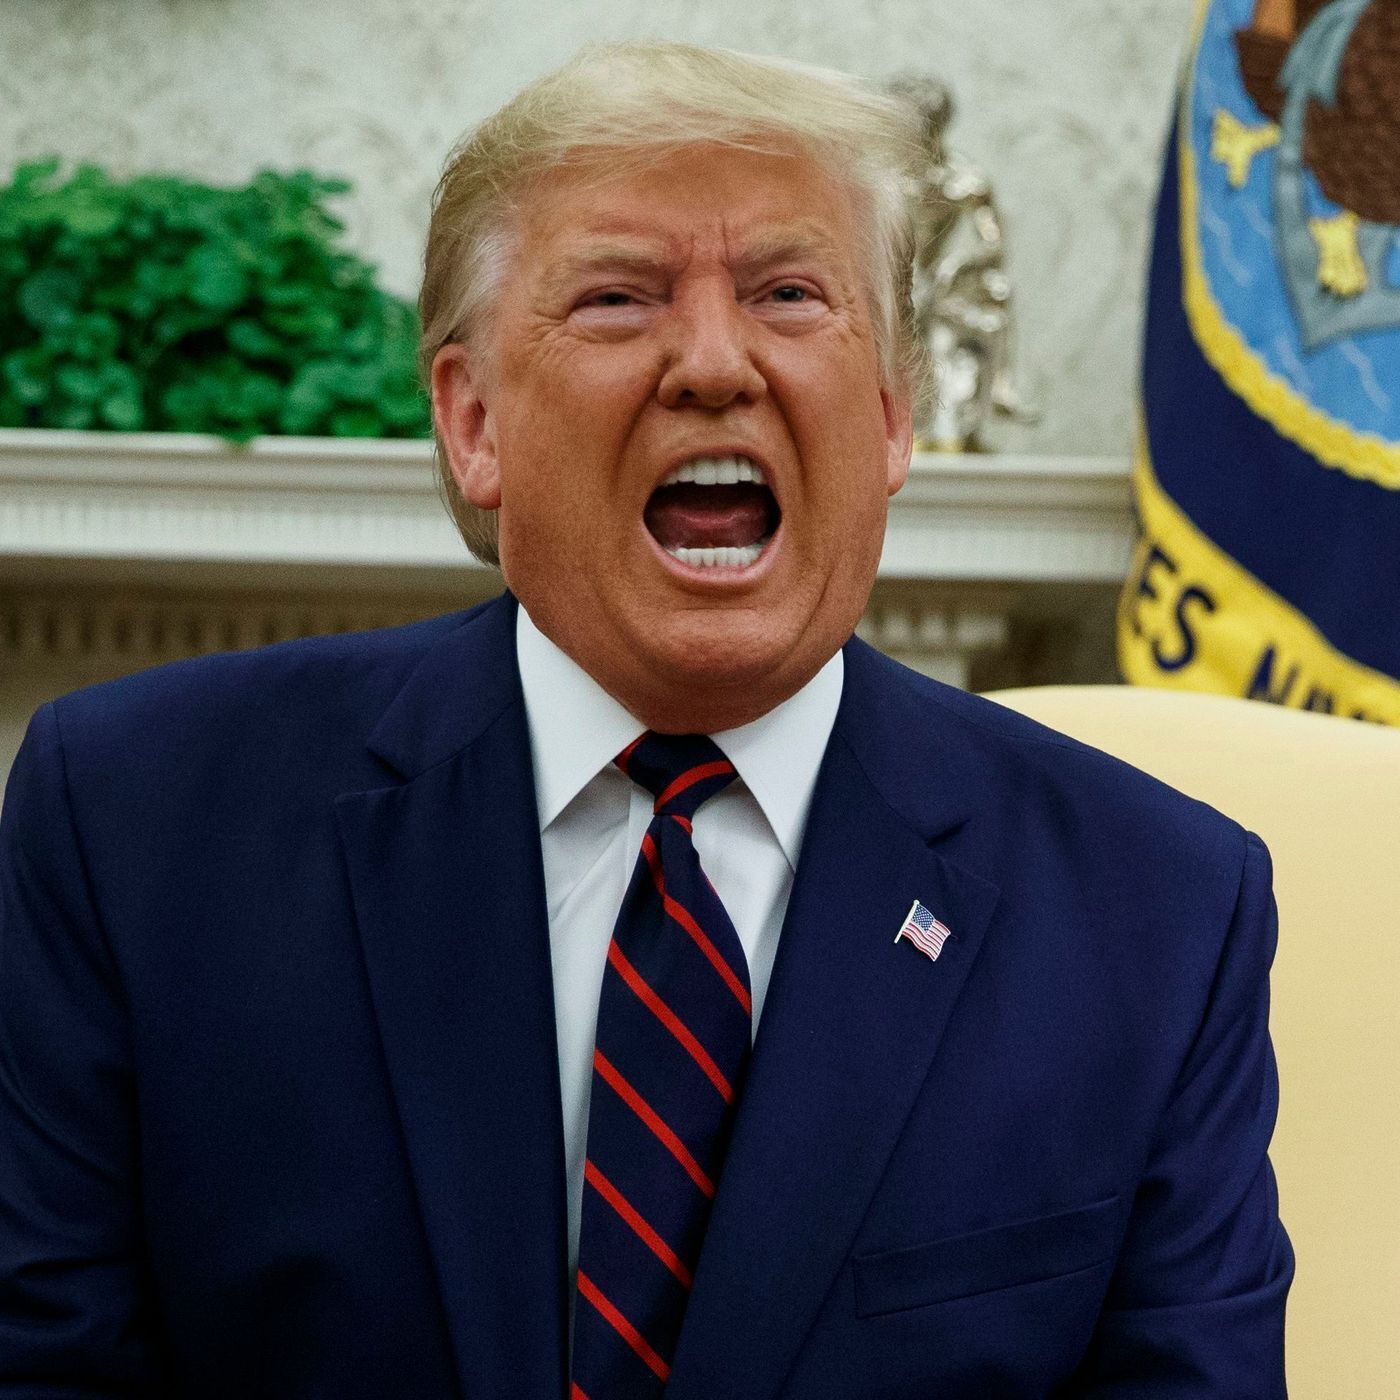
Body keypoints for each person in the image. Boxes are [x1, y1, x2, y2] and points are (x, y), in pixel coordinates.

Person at [0, 41, 1292, 1399]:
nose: (715, 364)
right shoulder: (133, 826)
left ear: (893, 417)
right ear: (473, 423)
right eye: (617, 299)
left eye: (789, 294)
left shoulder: (1159, 911)